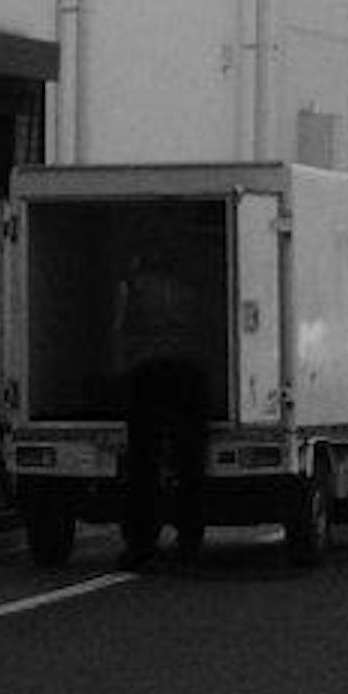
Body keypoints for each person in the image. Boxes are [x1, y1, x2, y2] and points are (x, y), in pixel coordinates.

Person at [111, 237, 217, 569]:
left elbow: (119, 328)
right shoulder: (189, 290)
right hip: (190, 369)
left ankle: (140, 543)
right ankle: (190, 540)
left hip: (146, 370)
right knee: (190, 461)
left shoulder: (133, 287)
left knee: (143, 460)